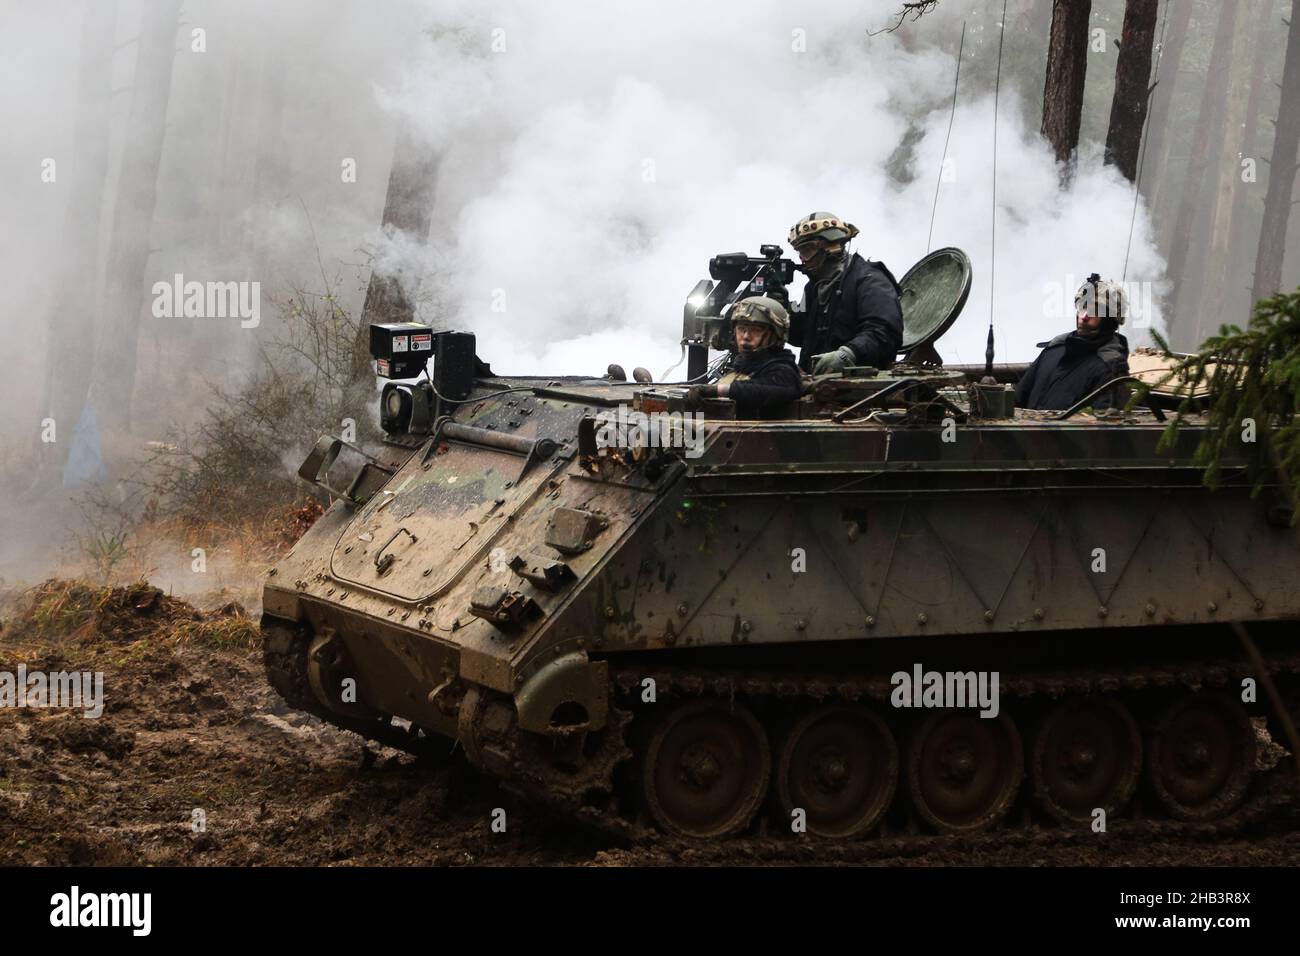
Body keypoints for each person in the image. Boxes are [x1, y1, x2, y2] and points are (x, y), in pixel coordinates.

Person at [786, 211, 904, 375]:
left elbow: (884, 332)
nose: (802, 259)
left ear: (830, 246)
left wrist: (849, 353)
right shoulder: (814, 287)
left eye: (807, 250)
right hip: (816, 383)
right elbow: (801, 336)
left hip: (863, 385)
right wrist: (782, 311)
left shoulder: (870, 280)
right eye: (800, 252)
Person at [1015, 274, 1131, 411]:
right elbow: (1017, 401)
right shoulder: (1053, 350)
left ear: (1110, 319)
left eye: (1094, 310)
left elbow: (1105, 427)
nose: (1084, 316)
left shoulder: (1111, 368)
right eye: (1082, 307)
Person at [686, 295, 801, 418]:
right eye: (741, 329)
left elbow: (763, 390)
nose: (745, 336)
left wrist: (717, 390)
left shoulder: (784, 371)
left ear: (775, 335)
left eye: (755, 330)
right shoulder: (741, 366)